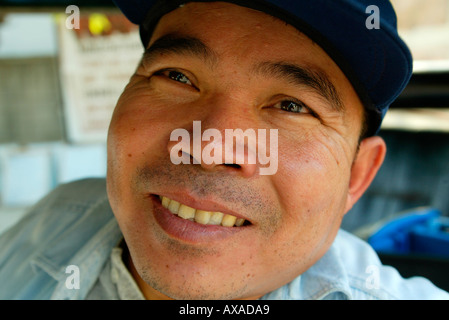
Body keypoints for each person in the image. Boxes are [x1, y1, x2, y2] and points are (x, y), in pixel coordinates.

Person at [1, 0, 448, 300]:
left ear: (356, 176)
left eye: (292, 106)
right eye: (176, 76)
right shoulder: (57, 221)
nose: (208, 148)